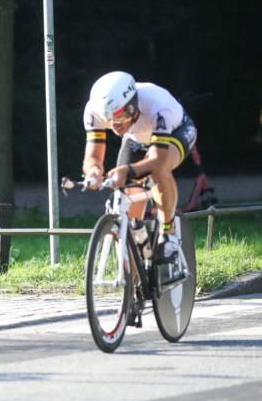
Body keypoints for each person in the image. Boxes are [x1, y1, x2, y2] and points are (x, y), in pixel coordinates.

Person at [80, 71, 198, 264]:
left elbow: (157, 160)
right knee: (127, 204)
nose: (115, 126)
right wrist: (93, 171)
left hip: (177, 132)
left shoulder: (157, 105)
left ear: (133, 105)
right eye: (109, 120)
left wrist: (128, 171)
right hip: (136, 138)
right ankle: (133, 283)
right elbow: (92, 156)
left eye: (120, 117)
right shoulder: (94, 110)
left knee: (158, 171)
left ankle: (167, 233)